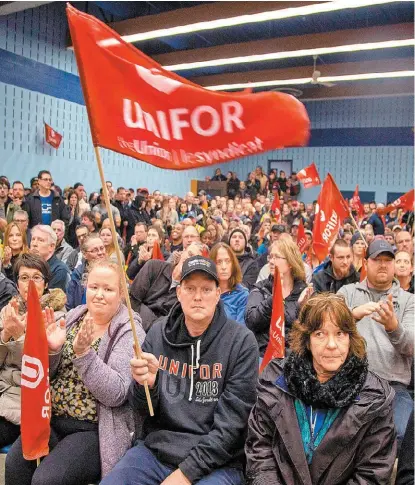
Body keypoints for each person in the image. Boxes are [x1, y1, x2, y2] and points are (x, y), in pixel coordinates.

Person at [101, 256, 258, 485]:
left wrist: (185, 474)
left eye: (206, 289)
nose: (197, 297)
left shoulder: (241, 342)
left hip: (217, 463)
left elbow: (231, 429)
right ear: (179, 293)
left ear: (217, 294)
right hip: (156, 452)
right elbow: (143, 410)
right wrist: (147, 386)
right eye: (190, 288)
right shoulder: (157, 332)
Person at [5, 259, 146, 484]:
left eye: (108, 289)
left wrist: (84, 354)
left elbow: (117, 394)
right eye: (94, 287)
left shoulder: (129, 331)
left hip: (93, 429)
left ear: (121, 294)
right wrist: (53, 350)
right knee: (15, 465)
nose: (99, 294)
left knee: (47, 480)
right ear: (85, 288)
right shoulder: (74, 317)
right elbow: (46, 376)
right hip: (51, 419)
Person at [245, 293, 397, 484]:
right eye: (320, 334)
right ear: (307, 340)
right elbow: (260, 452)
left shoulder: (374, 398)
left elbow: (371, 473)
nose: (332, 345)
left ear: (351, 338)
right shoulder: (275, 381)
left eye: (340, 334)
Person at [338, 239, 414, 445]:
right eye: (377, 259)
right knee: (342, 433)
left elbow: (411, 347)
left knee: (403, 434)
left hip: (394, 386)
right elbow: (328, 327)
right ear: (365, 263)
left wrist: (393, 326)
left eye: (388, 260)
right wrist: (352, 315)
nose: (382, 264)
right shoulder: (347, 293)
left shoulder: (409, 300)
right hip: (352, 381)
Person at [0, 253, 66, 449]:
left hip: (24, 400)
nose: (30, 284)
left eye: (36, 278)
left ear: (46, 283)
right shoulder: (8, 310)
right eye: (24, 278)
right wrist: (5, 336)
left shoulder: (56, 316)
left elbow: (43, 368)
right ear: (17, 283)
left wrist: (19, 336)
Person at [245, 238, 307, 357]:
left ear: (290, 262)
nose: (271, 262)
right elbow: (251, 321)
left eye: (276, 257)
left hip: (293, 359)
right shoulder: (261, 289)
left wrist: (301, 308)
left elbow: (308, 331)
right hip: (264, 357)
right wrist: (273, 299)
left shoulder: (303, 291)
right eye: (270, 257)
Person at [130, 242, 205, 331]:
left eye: (194, 261)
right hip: (133, 325)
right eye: (189, 254)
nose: (189, 260)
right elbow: (132, 300)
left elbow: (172, 324)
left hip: (159, 337)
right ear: (183, 251)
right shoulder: (153, 266)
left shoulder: (189, 293)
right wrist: (153, 324)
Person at [210, 243, 249, 325]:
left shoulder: (242, 295)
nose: (224, 267)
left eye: (227, 261)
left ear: (233, 264)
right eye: (219, 262)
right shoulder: (205, 291)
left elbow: (240, 332)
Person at [66, 234, 107, 310]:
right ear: (85, 255)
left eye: (102, 248)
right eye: (95, 250)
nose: (100, 253)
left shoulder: (114, 273)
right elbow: (69, 305)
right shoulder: (77, 274)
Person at [30, 225, 70, 291]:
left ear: (51, 246)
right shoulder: (27, 265)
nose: (34, 244)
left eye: (40, 240)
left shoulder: (59, 270)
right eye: (33, 239)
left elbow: (52, 299)